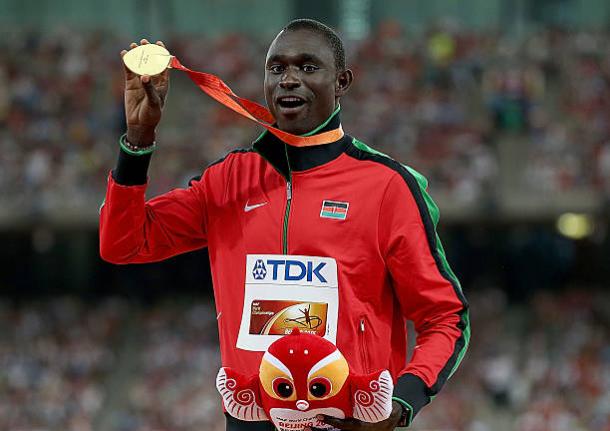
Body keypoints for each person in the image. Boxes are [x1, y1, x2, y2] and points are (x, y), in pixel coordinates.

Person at [99, 19, 470, 431]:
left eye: (308, 67)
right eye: (276, 69)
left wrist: (402, 404)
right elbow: (123, 243)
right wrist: (137, 140)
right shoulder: (229, 180)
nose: (289, 79)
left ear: (342, 81)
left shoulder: (388, 186)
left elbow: (445, 318)